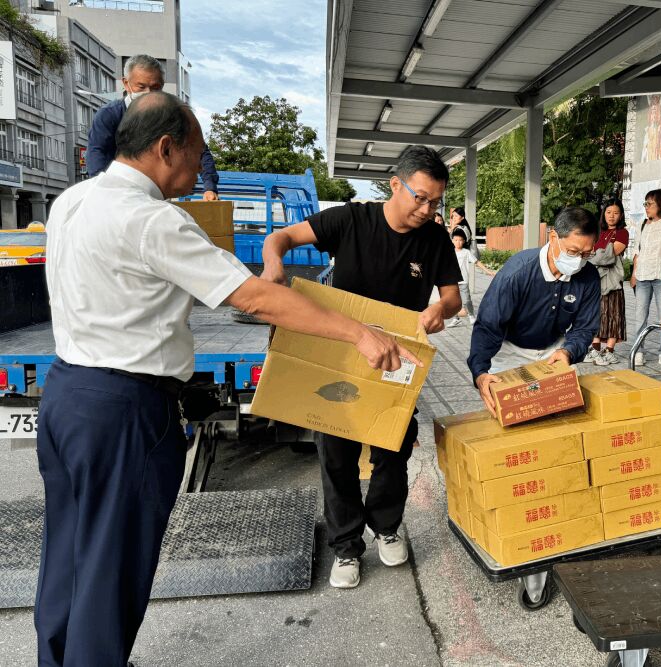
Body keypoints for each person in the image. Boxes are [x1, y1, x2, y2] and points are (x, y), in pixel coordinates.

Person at [35, 92, 417, 666]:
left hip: (66, 394)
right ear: (165, 148)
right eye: (196, 153)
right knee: (111, 569)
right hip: (123, 411)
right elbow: (255, 298)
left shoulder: (72, 201)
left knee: (67, 553)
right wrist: (359, 334)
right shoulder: (151, 220)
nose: (200, 168)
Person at [260, 145, 462, 589]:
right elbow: (281, 239)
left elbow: (453, 296)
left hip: (399, 359)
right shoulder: (350, 220)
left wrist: (439, 309)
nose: (427, 210)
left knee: (394, 446)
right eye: (420, 198)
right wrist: (272, 265)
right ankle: (346, 547)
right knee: (337, 453)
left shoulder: (433, 239)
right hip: (342, 352)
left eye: (435, 202)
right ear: (396, 184)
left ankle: (386, 527)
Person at [468, 207, 601, 413]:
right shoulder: (518, 271)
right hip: (512, 350)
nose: (578, 261)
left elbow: (585, 327)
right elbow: (489, 323)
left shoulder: (588, 276)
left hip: (555, 351)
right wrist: (480, 372)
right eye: (573, 252)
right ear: (554, 236)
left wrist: (568, 351)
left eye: (586, 254)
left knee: (566, 414)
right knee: (509, 414)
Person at [86, 54, 220, 201]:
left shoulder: (170, 116)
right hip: (116, 193)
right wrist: (104, 194)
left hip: (157, 193)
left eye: (155, 88)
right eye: (141, 87)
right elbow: (97, 156)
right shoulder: (109, 115)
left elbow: (197, 148)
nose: (148, 93)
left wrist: (209, 187)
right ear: (126, 84)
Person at [629, 189, 661, 367]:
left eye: (650, 204)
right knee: (640, 316)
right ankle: (638, 351)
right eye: (645, 204)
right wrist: (633, 273)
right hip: (642, 277)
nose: (646, 207)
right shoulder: (642, 224)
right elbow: (637, 251)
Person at [585, 199, 630, 366]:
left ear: (621, 215)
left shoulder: (622, 233)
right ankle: (595, 348)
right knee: (596, 314)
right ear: (604, 213)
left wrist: (593, 255)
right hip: (595, 280)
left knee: (613, 315)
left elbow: (607, 256)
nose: (612, 216)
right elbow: (587, 251)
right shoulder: (597, 231)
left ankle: (609, 351)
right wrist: (596, 254)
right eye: (609, 212)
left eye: (616, 213)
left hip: (612, 281)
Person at [446, 227, 495, 328]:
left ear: (464, 241)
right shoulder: (449, 252)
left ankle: (471, 315)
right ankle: (456, 318)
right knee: (453, 301)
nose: (458, 242)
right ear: (452, 240)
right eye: (456, 240)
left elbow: (477, 262)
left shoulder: (466, 252)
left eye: (460, 240)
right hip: (452, 281)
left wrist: (488, 271)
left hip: (463, 280)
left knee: (466, 300)